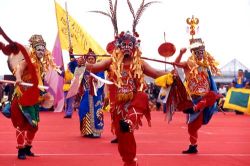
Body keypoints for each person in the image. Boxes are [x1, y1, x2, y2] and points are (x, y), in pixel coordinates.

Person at [2, 34, 59, 159]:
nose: (41, 51)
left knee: (34, 126)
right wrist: (18, 79)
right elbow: (19, 70)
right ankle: (21, 150)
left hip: (33, 98)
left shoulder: (41, 65)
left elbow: (39, 81)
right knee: (21, 124)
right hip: (22, 97)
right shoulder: (26, 61)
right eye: (39, 49)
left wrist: (42, 94)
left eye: (43, 49)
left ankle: (28, 147)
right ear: (33, 49)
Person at [173, 16, 221, 154]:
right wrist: (180, 53)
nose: (200, 54)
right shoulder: (188, 64)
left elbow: (211, 85)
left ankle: (197, 108)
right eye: (197, 52)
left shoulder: (206, 67)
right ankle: (193, 146)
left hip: (204, 99)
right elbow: (176, 64)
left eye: (202, 52)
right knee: (192, 128)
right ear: (193, 53)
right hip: (194, 98)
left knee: (212, 94)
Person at [78, 49, 105, 138]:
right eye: (88, 59)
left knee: (96, 112)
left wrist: (96, 80)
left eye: (92, 59)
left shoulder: (99, 69)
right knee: (83, 109)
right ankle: (87, 131)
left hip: (96, 94)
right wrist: (72, 58)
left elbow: (102, 80)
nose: (90, 60)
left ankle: (96, 132)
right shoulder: (83, 69)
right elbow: (76, 74)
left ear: (95, 60)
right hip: (86, 94)